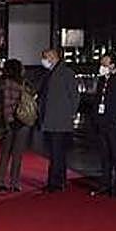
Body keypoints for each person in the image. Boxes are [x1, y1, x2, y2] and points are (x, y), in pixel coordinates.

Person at [89, 53, 116, 197]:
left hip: (115, 122)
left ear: (112, 65)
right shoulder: (102, 79)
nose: (102, 67)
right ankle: (105, 184)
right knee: (104, 154)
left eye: (105, 64)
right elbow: (97, 98)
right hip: (102, 121)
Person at [37, 47, 78, 192]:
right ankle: (58, 180)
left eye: (45, 57)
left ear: (53, 57)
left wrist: (71, 114)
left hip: (60, 120)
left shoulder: (66, 74)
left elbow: (74, 96)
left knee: (57, 152)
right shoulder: (49, 74)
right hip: (50, 119)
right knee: (55, 152)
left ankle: (56, 182)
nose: (43, 60)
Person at [0, 58, 31, 192]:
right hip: (21, 121)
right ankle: (14, 183)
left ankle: (0, 181)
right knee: (17, 154)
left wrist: (7, 121)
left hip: (9, 121)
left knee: (5, 153)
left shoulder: (3, 84)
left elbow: (4, 105)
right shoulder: (22, 84)